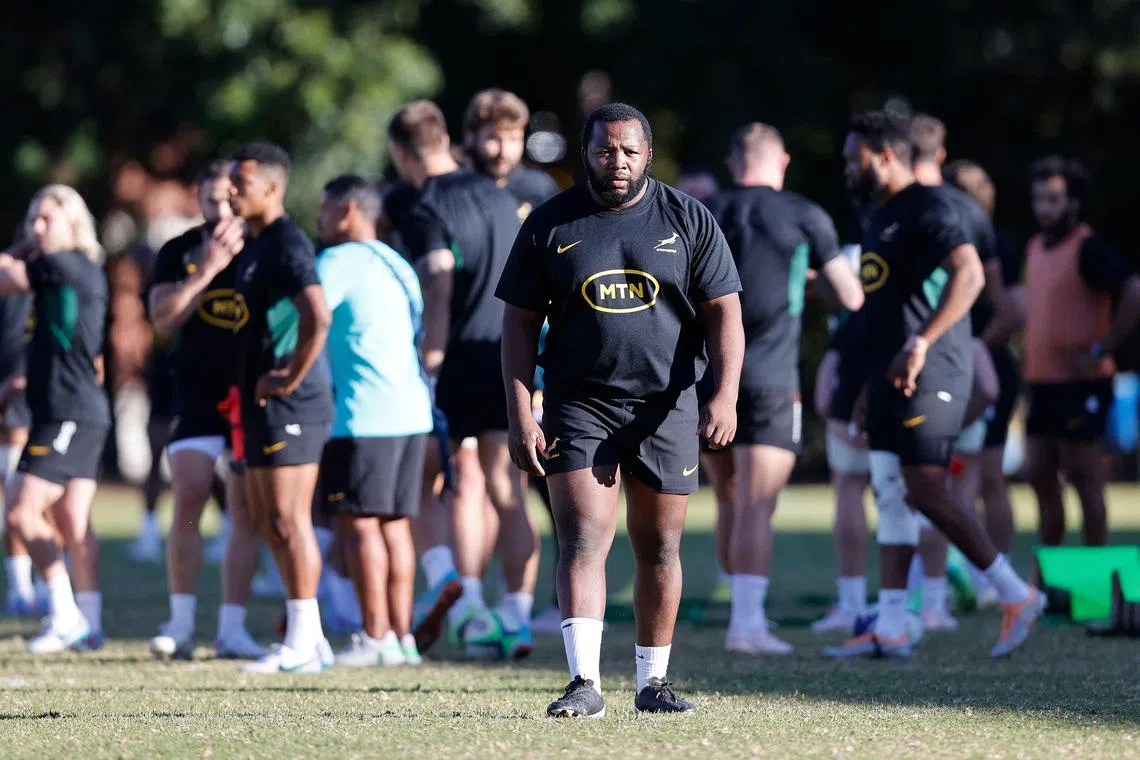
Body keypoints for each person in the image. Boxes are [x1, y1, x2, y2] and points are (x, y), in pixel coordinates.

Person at [498, 102, 744, 717]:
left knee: (659, 544)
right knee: (582, 537)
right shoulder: (551, 224)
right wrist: (521, 409)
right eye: (606, 151)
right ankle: (584, 683)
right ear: (587, 154)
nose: (618, 163)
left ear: (648, 154)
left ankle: (652, 683)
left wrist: (724, 392)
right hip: (579, 402)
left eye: (630, 152)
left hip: (667, 404)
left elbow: (725, 313)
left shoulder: (689, 219)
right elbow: (519, 324)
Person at [825, 112, 1043, 660]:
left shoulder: (933, 205)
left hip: (932, 371)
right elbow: (880, 308)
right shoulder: (879, 215)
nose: (847, 167)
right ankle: (895, 624)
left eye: (855, 157)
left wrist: (922, 342)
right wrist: (863, 387)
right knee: (890, 492)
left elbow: (969, 275)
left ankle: (1016, 595)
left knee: (925, 488)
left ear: (886, 155)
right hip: (883, 378)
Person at [702, 123, 864, 655]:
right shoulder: (805, 214)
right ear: (784, 160)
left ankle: (736, 606)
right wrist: (807, 283)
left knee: (727, 497)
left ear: (732, 163)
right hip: (770, 378)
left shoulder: (703, 212)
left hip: (708, 377)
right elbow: (850, 295)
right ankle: (746, 626)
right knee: (756, 504)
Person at [387, 100, 537, 658]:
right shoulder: (501, 197)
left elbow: (439, 284)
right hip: (507, 357)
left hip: (452, 364)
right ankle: (516, 615)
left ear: (401, 154)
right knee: (505, 491)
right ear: (447, 137)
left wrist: (429, 359)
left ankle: (456, 588)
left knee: (424, 483)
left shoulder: (425, 204)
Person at [145, 161, 265, 660]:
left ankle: (232, 628)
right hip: (194, 390)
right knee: (189, 492)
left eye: (228, 199)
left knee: (244, 510)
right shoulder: (179, 252)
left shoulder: (265, 246)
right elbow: (162, 319)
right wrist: (208, 268)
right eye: (211, 200)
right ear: (198, 200)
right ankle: (181, 623)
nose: (220, 210)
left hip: (248, 391)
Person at [314, 175, 433, 667]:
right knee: (394, 527)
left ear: (346, 210)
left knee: (361, 526)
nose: (319, 219)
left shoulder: (337, 260)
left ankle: (373, 634)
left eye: (324, 209)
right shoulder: (397, 262)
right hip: (412, 412)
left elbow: (308, 315)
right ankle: (401, 640)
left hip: (364, 413)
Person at [229, 142, 334, 673]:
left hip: (292, 401)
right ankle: (309, 637)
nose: (229, 190)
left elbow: (318, 315)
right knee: (268, 519)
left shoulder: (287, 242)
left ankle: (302, 644)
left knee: (290, 520)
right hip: (258, 401)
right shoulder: (253, 244)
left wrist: (290, 375)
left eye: (239, 182)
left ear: (272, 187)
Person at [462, 88, 563, 634]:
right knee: (469, 485)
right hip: (470, 356)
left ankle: (534, 603)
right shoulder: (458, 192)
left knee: (532, 486)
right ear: (472, 137)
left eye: (514, 138)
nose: (503, 149)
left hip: (536, 359)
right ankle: (471, 598)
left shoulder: (539, 190)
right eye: (493, 137)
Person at [0, 185, 110, 653]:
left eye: (46, 219)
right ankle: (91, 623)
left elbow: (7, 277)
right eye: (33, 219)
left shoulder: (66, 263)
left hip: (71, 413)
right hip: (70, 410)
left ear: (74, 224)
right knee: (72, 521)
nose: (37, 228)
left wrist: (17, 252)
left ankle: (65, 614)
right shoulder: (59, 271)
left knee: (21, 511)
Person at [908, 114, 1006, 629]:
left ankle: (976, 590)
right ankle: (943, 595)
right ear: (940, 154)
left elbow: (986, 292)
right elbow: (999, 298)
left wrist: (943, 341)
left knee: (928, 486)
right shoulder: (963, 212)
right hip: (954, 367)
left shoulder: (913, 209)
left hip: (934, 364)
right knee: (945, 487)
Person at [1022, 157, 1140, 554]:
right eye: (1038, 199)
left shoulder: (1088, 247)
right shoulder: (1035, 246)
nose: (1044, 208)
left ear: (1073, 203)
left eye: (1053, 199)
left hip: (1082, 382)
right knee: (1039, 473)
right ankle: (1051, 570)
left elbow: (1133, 289)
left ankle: (1093, 571)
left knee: (1084, 477)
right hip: (1042, 382)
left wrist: (1102, 348)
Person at [945, 159, 1025, 607]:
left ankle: (995, 572)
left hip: (986, 373)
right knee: (958, 476)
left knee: (986, 477)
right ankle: (965, 571)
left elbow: (1014, 312)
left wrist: (974, 348)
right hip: (964, 370)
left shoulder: (992, 246)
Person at [811, 243, 872, 634]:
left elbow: (823, 393)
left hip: (857, 407)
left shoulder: (854, 321)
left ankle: (854, 602)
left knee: (853, 490)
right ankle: (924, 595)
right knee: (904, 497)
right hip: (887, 403)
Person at [1, 273, 40, 616]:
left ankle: (43, 585)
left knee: (47, 503)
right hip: (14, 408)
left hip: (52, 401)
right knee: (16, 498)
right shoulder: (10, 290)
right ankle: (21, 589)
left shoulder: (62, 282)